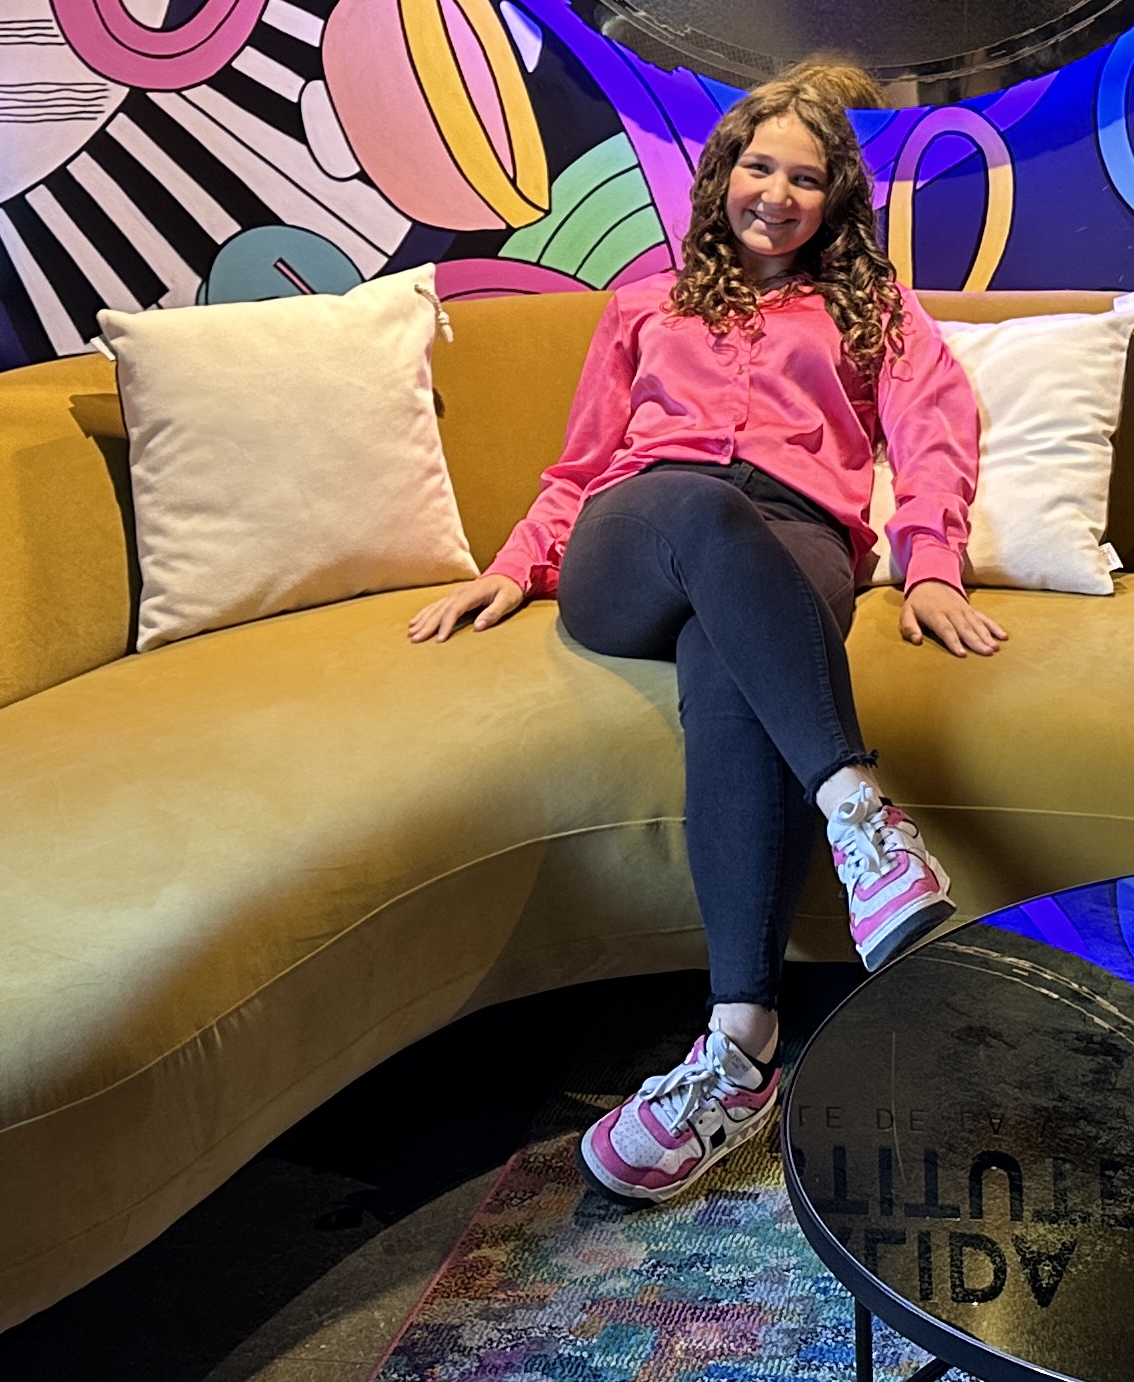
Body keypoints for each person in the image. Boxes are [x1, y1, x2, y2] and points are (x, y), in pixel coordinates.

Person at [407, 58, 1001, 1205]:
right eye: (759, 167)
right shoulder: (646, 305)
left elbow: (936, 434)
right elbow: (585, 463)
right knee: (700, 503)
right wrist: (515, 566)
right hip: (640, 535)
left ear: (836, 199)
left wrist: (931, 565)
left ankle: (738, 1052)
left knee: (729, 671)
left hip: (793, 545)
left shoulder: (874, 310)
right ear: (724, 173)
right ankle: (860, 815)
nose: (777, 194)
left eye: (806, 178)